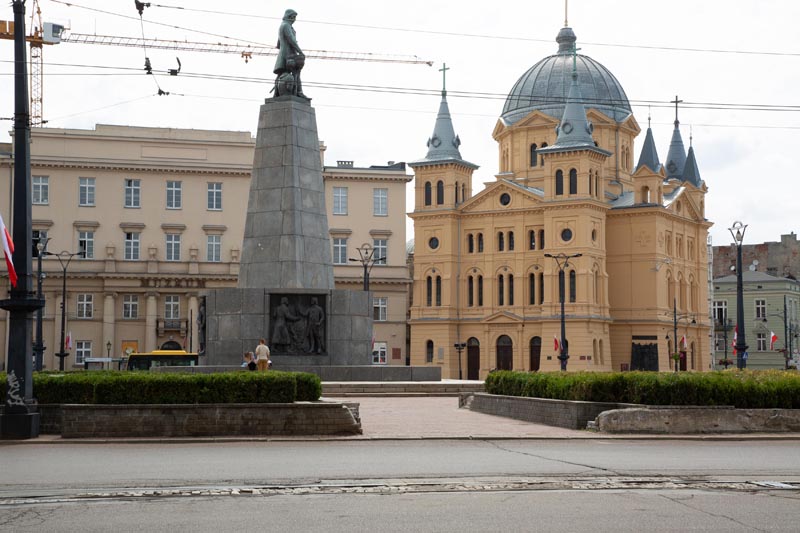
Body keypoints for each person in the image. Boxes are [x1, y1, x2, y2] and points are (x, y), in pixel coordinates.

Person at [273, 8, 305, 98]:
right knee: (296, 73)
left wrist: (283, 45)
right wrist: (300, 51)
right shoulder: (286, 26)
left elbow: (278, 44)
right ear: (289, 16)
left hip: (283, 54)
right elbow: (291, 40)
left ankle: (276, 94)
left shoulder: (282, 26)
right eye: (293, 17)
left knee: (280, 75)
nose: (294, 19)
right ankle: (299, 92)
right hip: (289, 54)